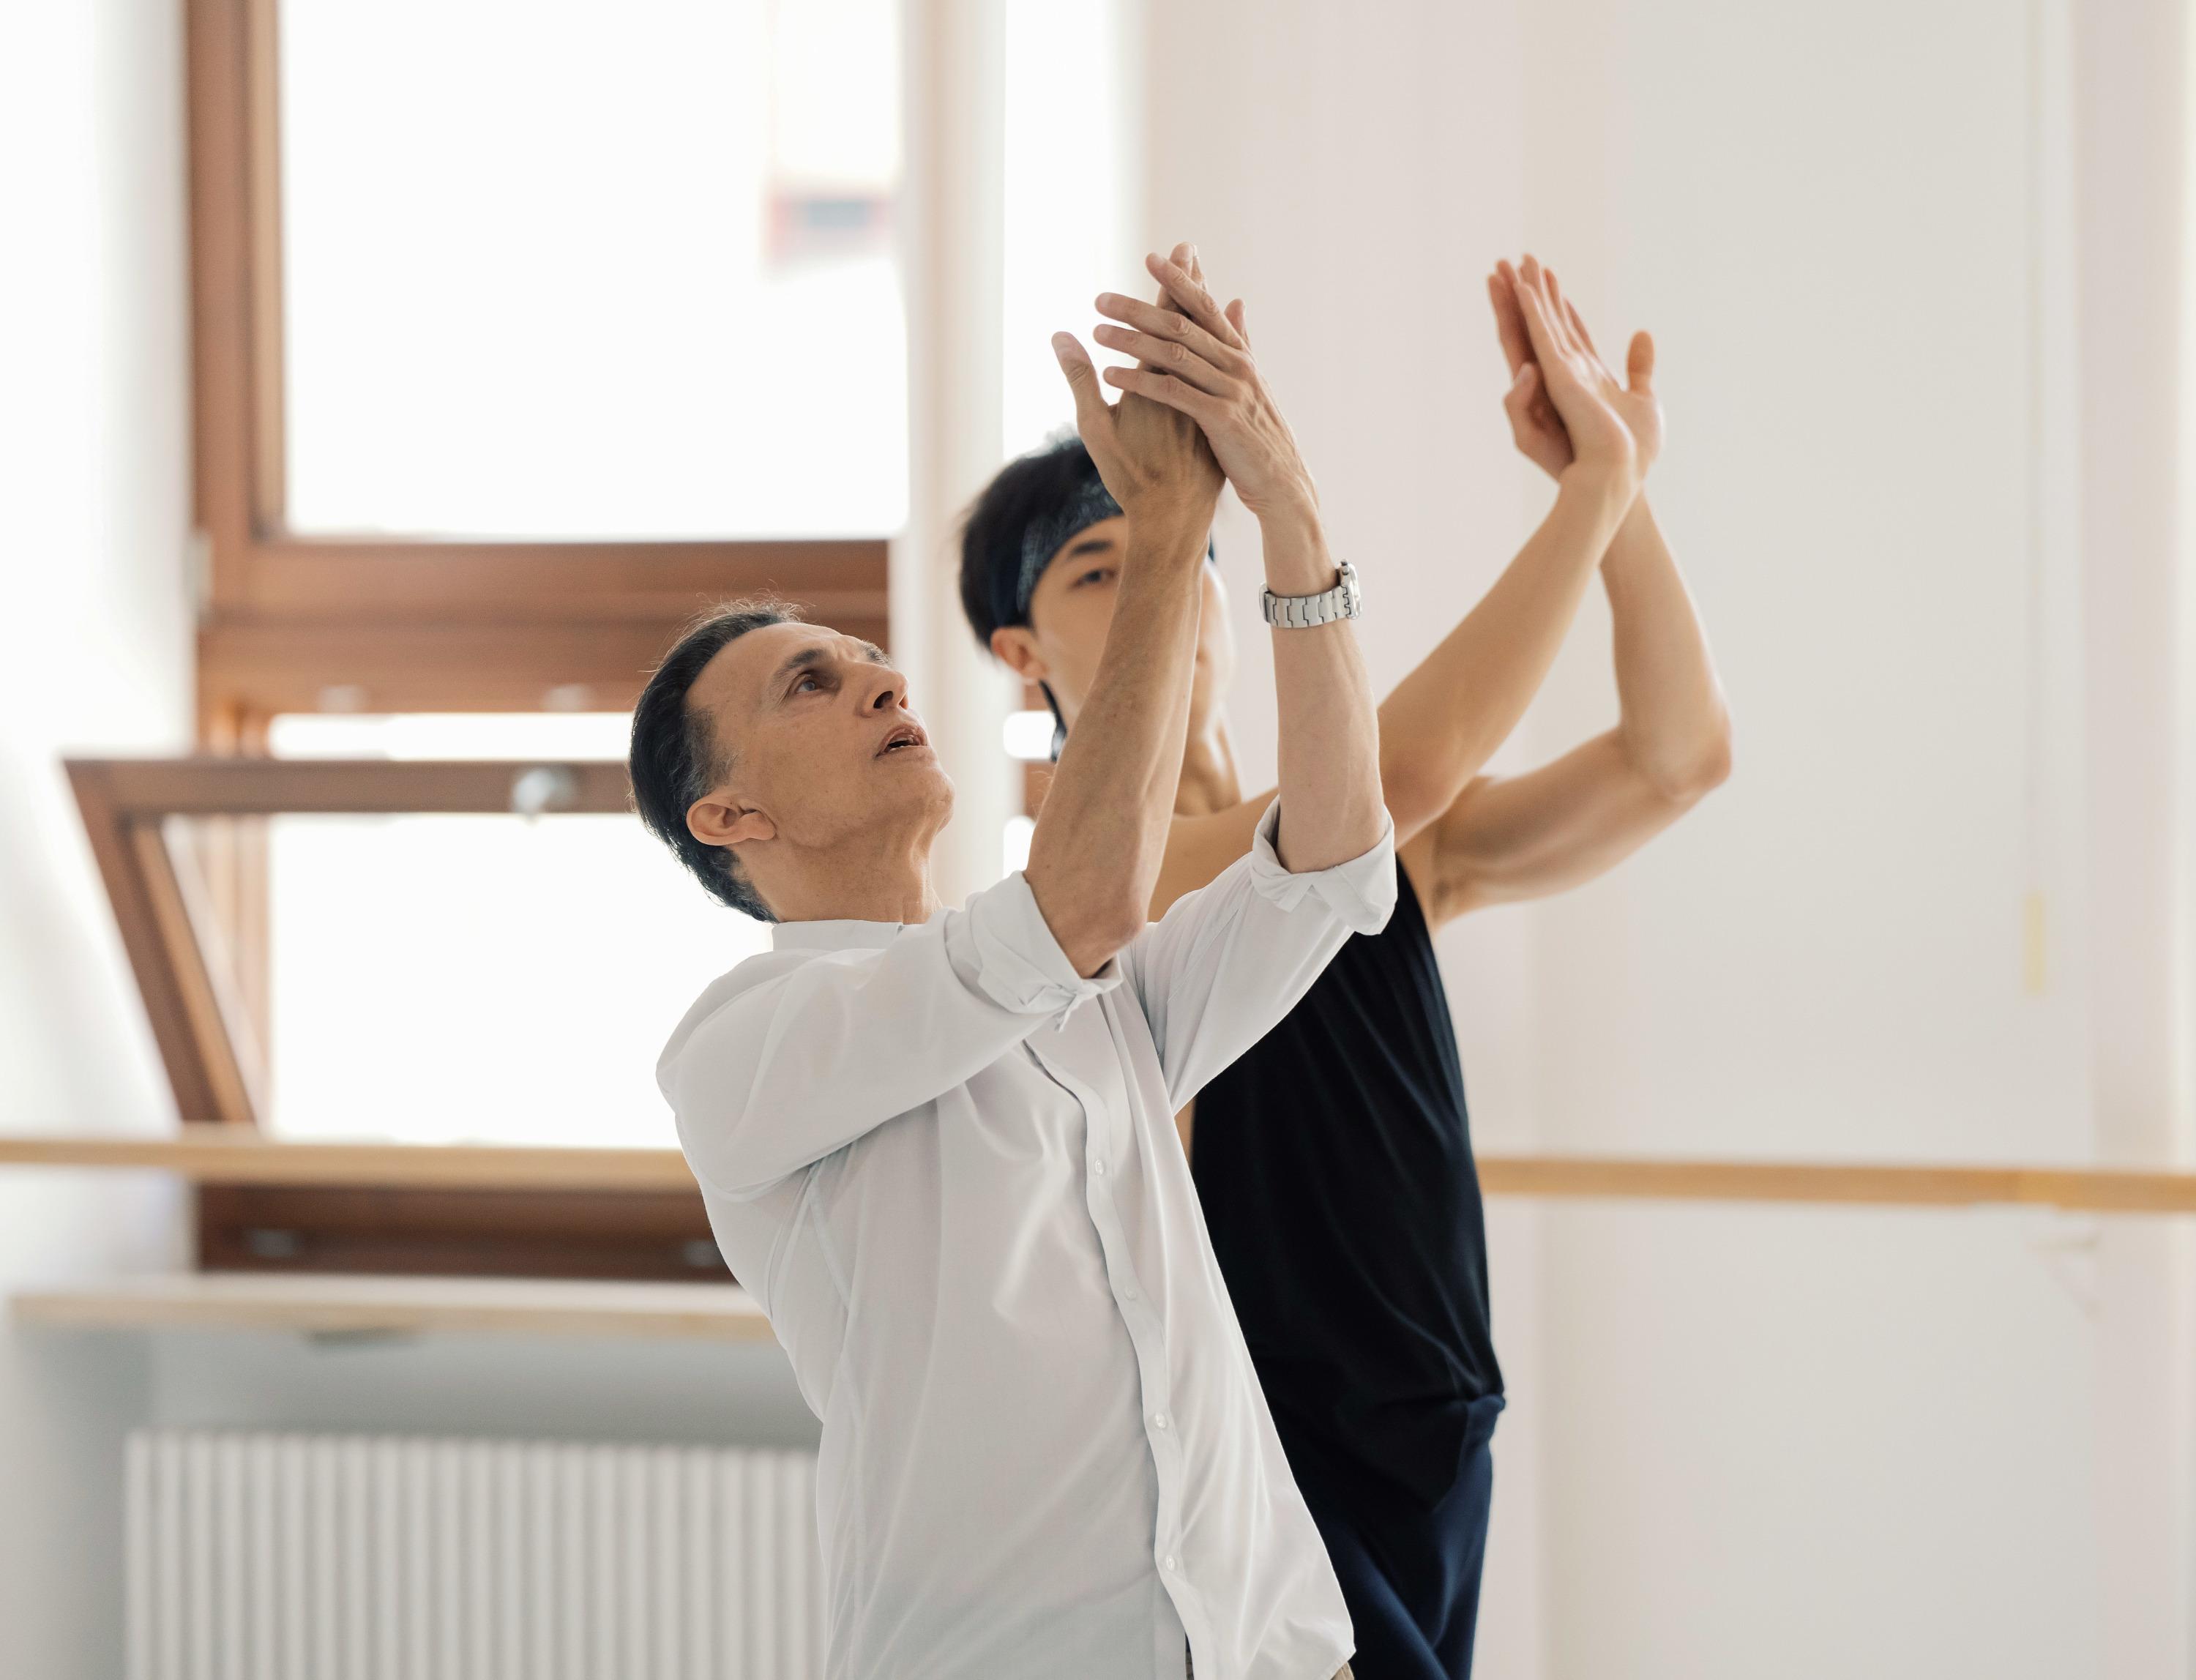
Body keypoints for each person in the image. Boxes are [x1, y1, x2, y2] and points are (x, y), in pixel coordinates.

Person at [959, 253, 1731, 1677]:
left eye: (1176, 541)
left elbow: (1674, 757)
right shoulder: (1082, 898)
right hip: (1272, 1466)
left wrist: (1614, 491)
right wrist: (1593, 486)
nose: (1165, 580)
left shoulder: (1367, 843)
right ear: (1022, 651)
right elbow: (1406, 769)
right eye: (1098, 560)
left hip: (1443, 1431)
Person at [633, 246, 1389, 1680]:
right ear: (729, 815)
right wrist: (1166, 530)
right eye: (813, 681)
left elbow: (1336, 859)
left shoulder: (1084, 1000)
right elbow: (1082, 901)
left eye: (869, 656)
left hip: (1267, 1652)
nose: (880, 679)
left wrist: (1283, 508)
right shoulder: (744, 1046)